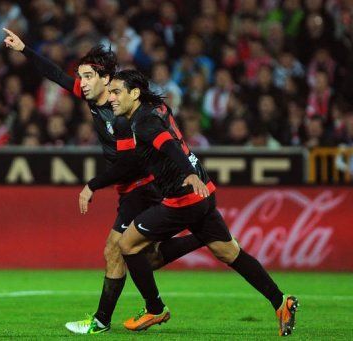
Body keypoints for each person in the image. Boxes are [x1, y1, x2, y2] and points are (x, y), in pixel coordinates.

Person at [3, 28, 204, 334]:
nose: (81, 84)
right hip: (130, 187)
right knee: (143, 256)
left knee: (114, 249)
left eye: (87, 77)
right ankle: (200, 242)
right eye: (80, 77)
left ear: (107, 79)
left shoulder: (124, 114)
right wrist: (24, 50)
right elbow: (56, 75)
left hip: (143, 185)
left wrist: (93, 184)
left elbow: (134, 160)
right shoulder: (94, 98)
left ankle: (102, 321)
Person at [107, 69, 298, 336]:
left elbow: (170, 146)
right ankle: (281, 302)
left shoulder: (144, 123)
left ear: (135, 93)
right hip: (204, 191)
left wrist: (187, 173)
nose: (111, 97)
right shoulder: (158, 108)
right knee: (228, 252)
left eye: (117, 92)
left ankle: (154, 308)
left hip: (183, 197)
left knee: (127, 244)